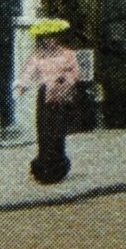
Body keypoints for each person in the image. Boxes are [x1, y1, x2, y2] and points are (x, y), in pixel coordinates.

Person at [13, 19, 81, 185]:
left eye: (51, 37)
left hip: (60, 94)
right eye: (45, 38)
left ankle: (57, 167)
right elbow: (28, 72)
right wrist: (21, 87)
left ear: (57, 38)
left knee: (57, 131)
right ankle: (43, 167)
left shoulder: (67, 54)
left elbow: (76, 73)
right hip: (44, 94)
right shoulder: (38, 56)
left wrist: (65, 81)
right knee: (44, 130)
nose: (48, 41)